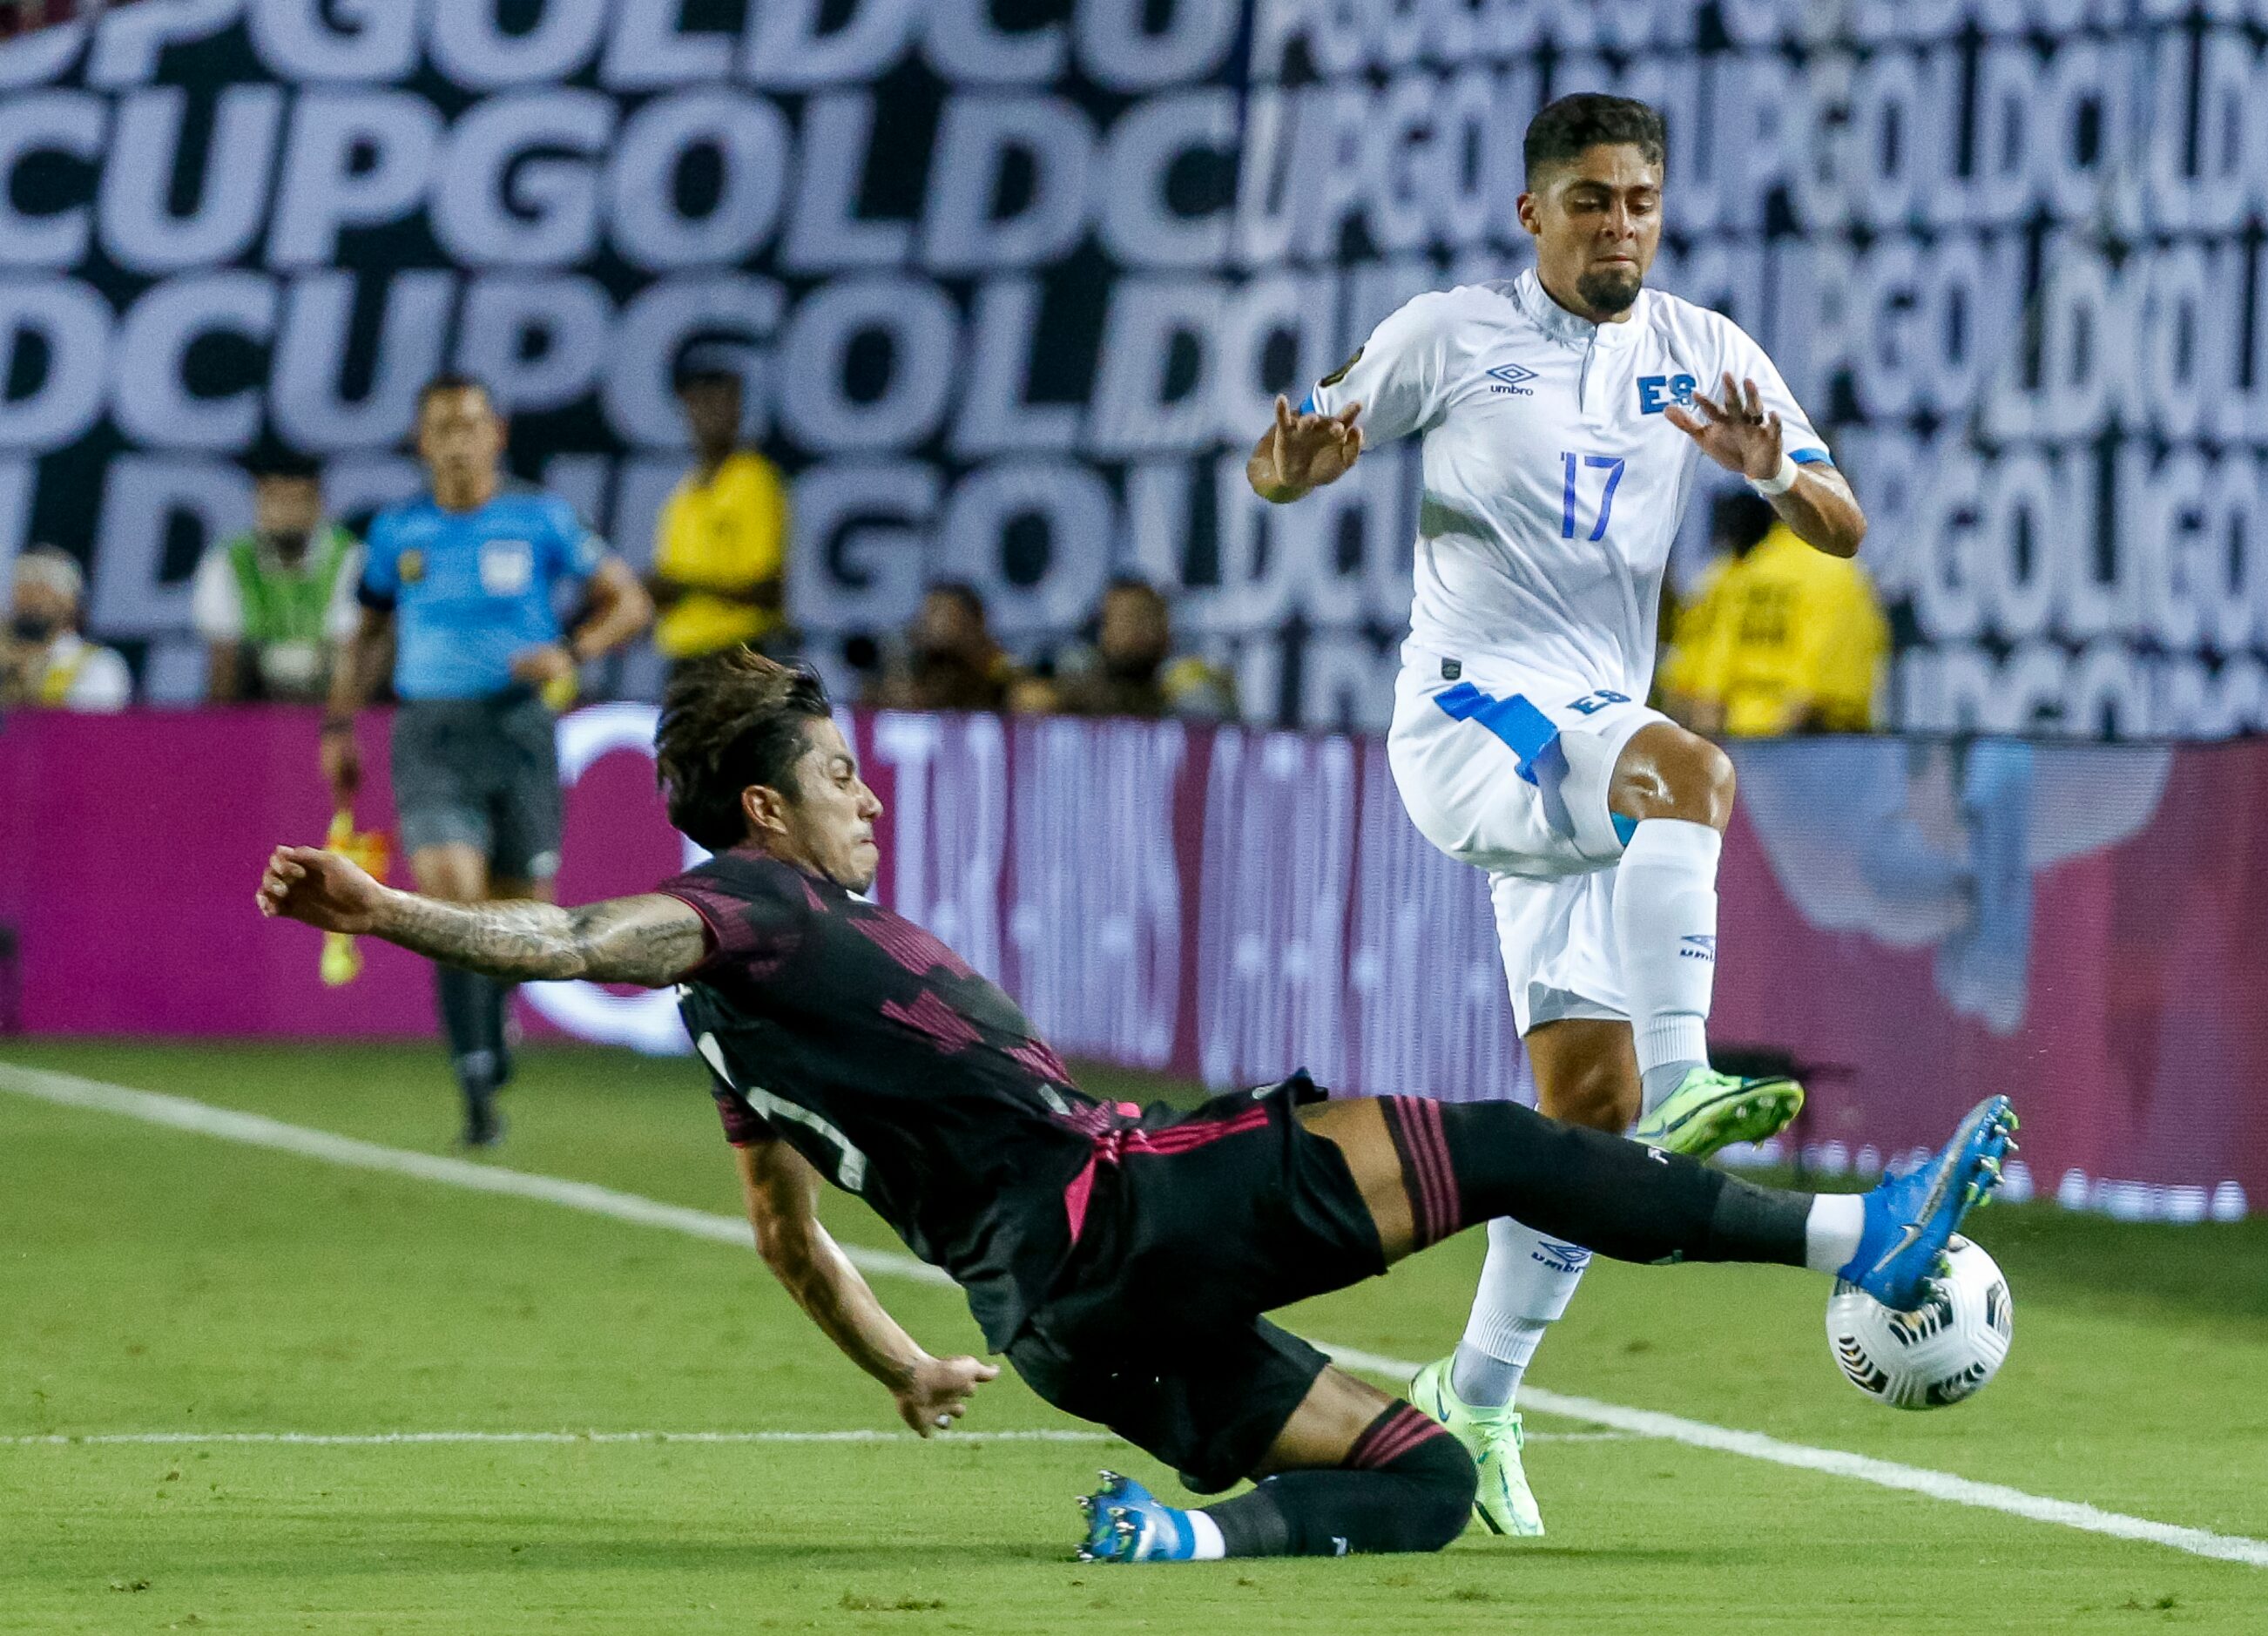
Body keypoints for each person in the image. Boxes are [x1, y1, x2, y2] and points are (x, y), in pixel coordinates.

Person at [254, 649, 2017, 1565]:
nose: (865, 799)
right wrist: (390, 909)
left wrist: (911, 1368)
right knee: (1504, 1147)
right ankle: (1862, 1237)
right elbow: (572, 930)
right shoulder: (752, 912)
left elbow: (791, 1247)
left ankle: (1187, 1542)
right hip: (1120, 1207)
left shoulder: (740, 1036)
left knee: (1414, 1485)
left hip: (1049, 1330)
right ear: (758, 811)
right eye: (837, 776)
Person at [1245, 92, 1872, 1534]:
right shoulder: (1448, 335)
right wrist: (1290, 471)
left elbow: (1841, 521)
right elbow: (1283, 456)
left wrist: (1771, 468)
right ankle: (1693, 1070)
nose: (1618, 224)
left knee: (1583, 1116)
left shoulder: (1701, 350)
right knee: (1692, 775)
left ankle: (1475, 1387)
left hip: (1581, 749)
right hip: (1474, 715)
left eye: (1640, 199)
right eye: (1590, 199)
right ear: (1531, 213)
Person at [321, 374, 653, 1148]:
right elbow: (367, 632)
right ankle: (474, 1080)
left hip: (520, 733)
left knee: (522, 916)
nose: (459, 439)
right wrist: (339, 724)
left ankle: (493, 1028)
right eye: (443, 426)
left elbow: (629, 601)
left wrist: (572, 649)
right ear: (423, 440)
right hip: (432, 732)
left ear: (495, 435)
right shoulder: (397, 531)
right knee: (453, 903)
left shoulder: (540, 518)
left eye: (472, 424)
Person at [1661, 491, 1889, 737]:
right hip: (1813, 748)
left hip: (1740, 742)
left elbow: (1708, 689)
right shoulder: (1840, 575)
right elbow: (1817, 693)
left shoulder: (1746, 570)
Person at [647, 360, 790, 669]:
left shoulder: (753, 478)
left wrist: (684, 587)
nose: (715, 414)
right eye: (703, 402)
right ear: (686, 409)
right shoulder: (682, 495)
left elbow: (769, 590)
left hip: (738, 653)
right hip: (683, 656)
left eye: (726, 401)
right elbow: (669, 584)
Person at [192, 456, 363, 705]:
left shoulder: (348, 555)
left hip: (324, 679)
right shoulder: (227, 559)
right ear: (258, 502)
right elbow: (223, 651)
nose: (286, 511)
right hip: (255, 684)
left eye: (298, 500)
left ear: (318, 504)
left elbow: (350, 646)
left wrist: (338, 724)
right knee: (229, 656)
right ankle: (225, 735)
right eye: (275, 499)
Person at [1026, 578, 1239, 721]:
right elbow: (1030, 701)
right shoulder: (1071, 683)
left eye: (1150, 618)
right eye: (1128, 618)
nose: (1140, 630)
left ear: (1167, 630)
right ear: (1104, 630)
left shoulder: (1190, 688)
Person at [1, 547, 130, 712]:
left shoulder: (99, 665)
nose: (29, 601)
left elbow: (85, 730)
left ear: (70, 603)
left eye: (42, 590)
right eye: (21, 590)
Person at [864, 580, 1015, 713]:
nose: (926, 620)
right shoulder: (924, 663)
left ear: (971, 620)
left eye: (938, 611)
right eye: (925, 612)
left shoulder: (998, 665)